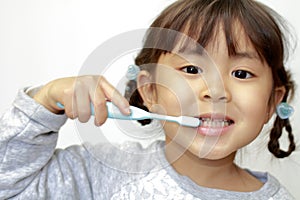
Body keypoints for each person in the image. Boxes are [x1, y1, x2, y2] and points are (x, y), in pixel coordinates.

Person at [0, 0, 297, 199]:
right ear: (150, 91)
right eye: (191, 69)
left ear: (273, 101)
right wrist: (44, 102)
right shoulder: (97, 173)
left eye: (242, 73)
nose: (216, 91)